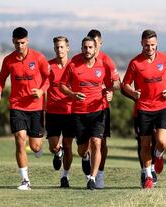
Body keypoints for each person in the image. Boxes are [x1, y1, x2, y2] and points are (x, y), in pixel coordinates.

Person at [122, 29, 166, 189]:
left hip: (162, 107)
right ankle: (147, 175)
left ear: (157, 43)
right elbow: (125, 84)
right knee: (145, 144)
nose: (150, 48)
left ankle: (158, 155)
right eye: (147, 45)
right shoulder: (135, 63)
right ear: (141, 43)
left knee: (161, 142)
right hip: (143, 109)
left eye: (153, 45)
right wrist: (132, 92)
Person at [0, 27, 49, 190]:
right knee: (20, 140)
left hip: (36, 107)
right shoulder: (8, 60)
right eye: (17, 43)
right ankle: (25, 180)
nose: (20, 46)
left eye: (23, 43)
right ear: (13, 41)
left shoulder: (38, 58)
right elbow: (1, 79)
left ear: (28, 41)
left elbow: (49, 78)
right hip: (17, 105)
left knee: (35, 147)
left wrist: (40, 91)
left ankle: (39, 148)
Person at [59, 36, 112, 190]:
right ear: (81, 48)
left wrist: (110, 93)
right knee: (82, 148)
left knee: (97, 142)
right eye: (85, 47)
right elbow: (62, 85)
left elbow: (111, 85)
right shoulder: (73, 64)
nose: (87, 50)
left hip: (98, 112)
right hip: (78, 113)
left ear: (96, 49)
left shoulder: (103, 65)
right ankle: (85, 156)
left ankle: (92, 179)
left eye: (90, 47)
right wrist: (72, 94)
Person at [87, 29, 120, 189]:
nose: (93, 47)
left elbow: (117, 82)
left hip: (101, 108)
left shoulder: (106, 61)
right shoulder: (81, 60)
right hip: (82, 109)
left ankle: (99, 174)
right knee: (85, 143)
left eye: (96, 44)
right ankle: (86, 157)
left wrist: (111, 90)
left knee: (100, 142)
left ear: (99, 43)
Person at [46, 36, 74, 188]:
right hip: (52, 111)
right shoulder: (48, 66)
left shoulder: (74, 65)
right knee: (54, 146)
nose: (59, 50)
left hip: (70, 112)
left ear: (67, 48)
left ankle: (65, 176)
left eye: (62, 47)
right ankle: (58, 153)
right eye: (57, 47)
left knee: (68, 145)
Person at [120, 87, 158, 188]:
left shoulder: (164, 70)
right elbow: (123, 87)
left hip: (160, 109)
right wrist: (134, 95)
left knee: (157, 139)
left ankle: (153, 165)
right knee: (142, 142)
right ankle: (145, 171)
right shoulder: (134, 70)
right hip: (141, 111)